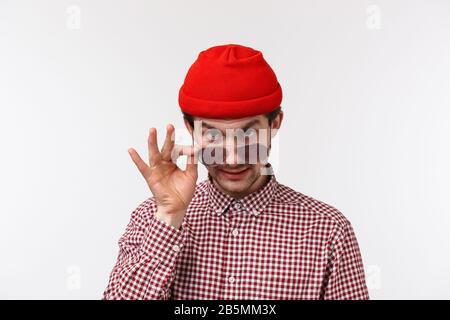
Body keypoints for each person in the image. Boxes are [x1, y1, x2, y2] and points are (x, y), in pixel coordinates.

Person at [102, 44, 369, 300]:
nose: (231, 158)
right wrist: (169, 217)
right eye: (212, 135)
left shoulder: (329, 231)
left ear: (275, 123)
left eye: (248, 134)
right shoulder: (152, 218)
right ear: (190, 128)